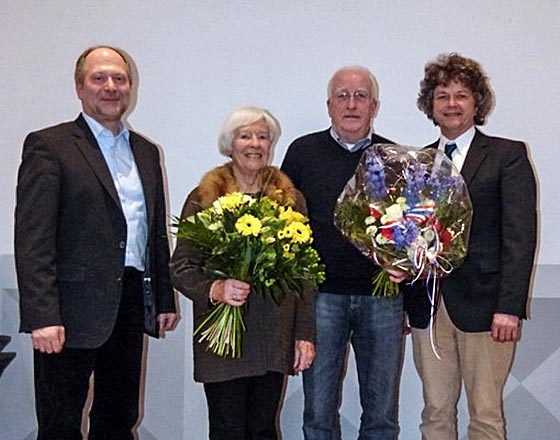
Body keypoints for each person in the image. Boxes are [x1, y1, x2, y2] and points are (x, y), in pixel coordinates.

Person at [15, 45, 178, 439]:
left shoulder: (145, 151)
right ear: (79, 88)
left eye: (119, 79)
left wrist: (164, 298)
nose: (110, 87)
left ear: (130, 87)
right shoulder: (50, 145)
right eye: (99, 78)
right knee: (60, 425)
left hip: (129, 306)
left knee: (118, 421)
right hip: (68, 313)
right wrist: (43, 316)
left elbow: (150, 230)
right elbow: (33, 237)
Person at [405, 53, 537, 439]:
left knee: (485, 415)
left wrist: (509, 308)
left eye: (460, 95)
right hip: (428, 306)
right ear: (430, 105)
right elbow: (410, 235)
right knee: (434, 413)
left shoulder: (507, 155)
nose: (451, 104)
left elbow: (519, 235)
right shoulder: (416, 163)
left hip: (486, 307)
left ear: (476, 103)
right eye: (442, 95)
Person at [170, 106, 316, 440]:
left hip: (272, 336)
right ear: (230, 143)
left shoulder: (291, 201)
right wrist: (216, 288)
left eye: (262, 137)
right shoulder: (204, 198)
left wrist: (304, 334)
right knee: (227, 430)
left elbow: (304, 275)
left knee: (263, 430)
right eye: (245, 135)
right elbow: (181, 268)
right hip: (222, 342)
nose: (255, 144)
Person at [281, 66, 404, 439]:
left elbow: (410, 232)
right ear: (329, 105)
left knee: (381, 414)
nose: (352, 104)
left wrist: (405, 273)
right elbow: (284, 224)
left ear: (374, 106)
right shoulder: (301, 152)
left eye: (360, 96)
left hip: (382, 299)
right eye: (343, 96)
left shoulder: (393, 157)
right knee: (318, 412)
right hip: (321, 298)